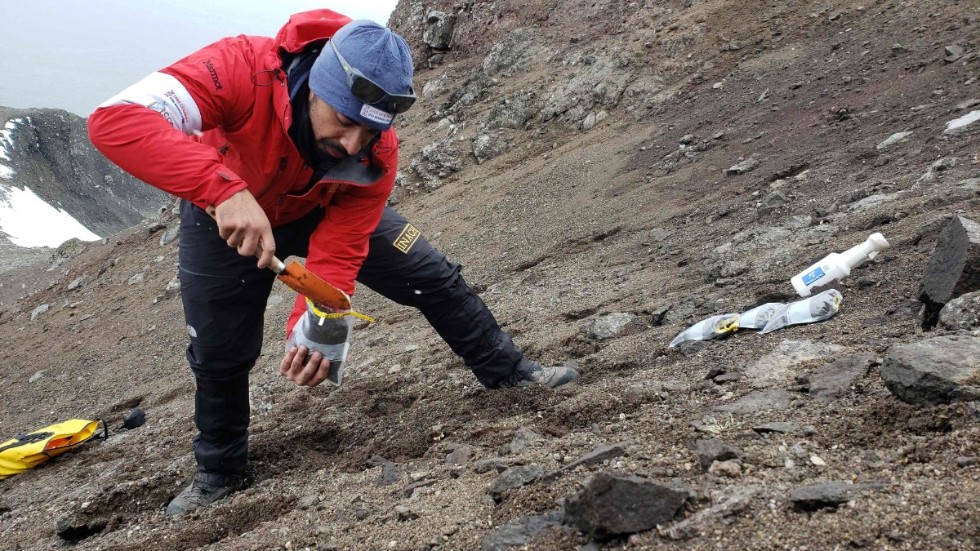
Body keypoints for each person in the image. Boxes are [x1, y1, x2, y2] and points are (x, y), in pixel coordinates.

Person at [88, 9, 578, 515]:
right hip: (224, 210)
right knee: (219, 350)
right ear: (314, 88)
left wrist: (314, 324)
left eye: (368, 133)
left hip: (322, 205)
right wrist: (223, 190)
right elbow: (116, 120)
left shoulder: (374, 153)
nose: (351, 144)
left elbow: (341, 248)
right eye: (344, 121)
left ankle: (514, 376)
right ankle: (219, 471)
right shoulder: (239, 68)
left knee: (432, 275)